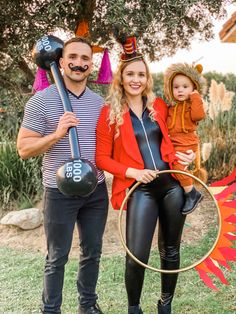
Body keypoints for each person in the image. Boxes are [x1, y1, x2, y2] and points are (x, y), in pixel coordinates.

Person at [95, 35, 196, 314]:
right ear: (121, 77)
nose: (136, 79)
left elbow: (180, 136)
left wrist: (188, 156)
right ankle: (134, 308)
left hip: (171, 185)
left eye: (141, 74)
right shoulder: (109, 113)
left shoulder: (160, 107)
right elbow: (101, 158)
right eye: (130, 74)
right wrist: (133, 172)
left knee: (171, 250)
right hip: (139, 188)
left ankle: (165, 304)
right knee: (137, 255)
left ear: (147, 78)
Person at [17, 37, 109, 314]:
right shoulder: (41, 101)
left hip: (96, 190)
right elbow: (23, 149)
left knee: (92, 253)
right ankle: (51, 309)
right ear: (60, 61)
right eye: (73, 57)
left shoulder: (100, 103)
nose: (79, 63)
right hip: (59, 192)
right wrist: (56, 134)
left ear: (91, 65)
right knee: (57, 257)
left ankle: (87, 306)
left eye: (85, 59)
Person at [163, 63, 206, 214]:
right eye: (176, 87)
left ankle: (192, 193)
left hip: (187, 141)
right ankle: (183, 191)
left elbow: (198, 116)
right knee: (173, 168)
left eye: (185, 86)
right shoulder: (172, 107)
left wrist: (195, 97)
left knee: (178, 166)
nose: (180, 90)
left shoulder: (192, 104)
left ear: (193, 88)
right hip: (174, 141)